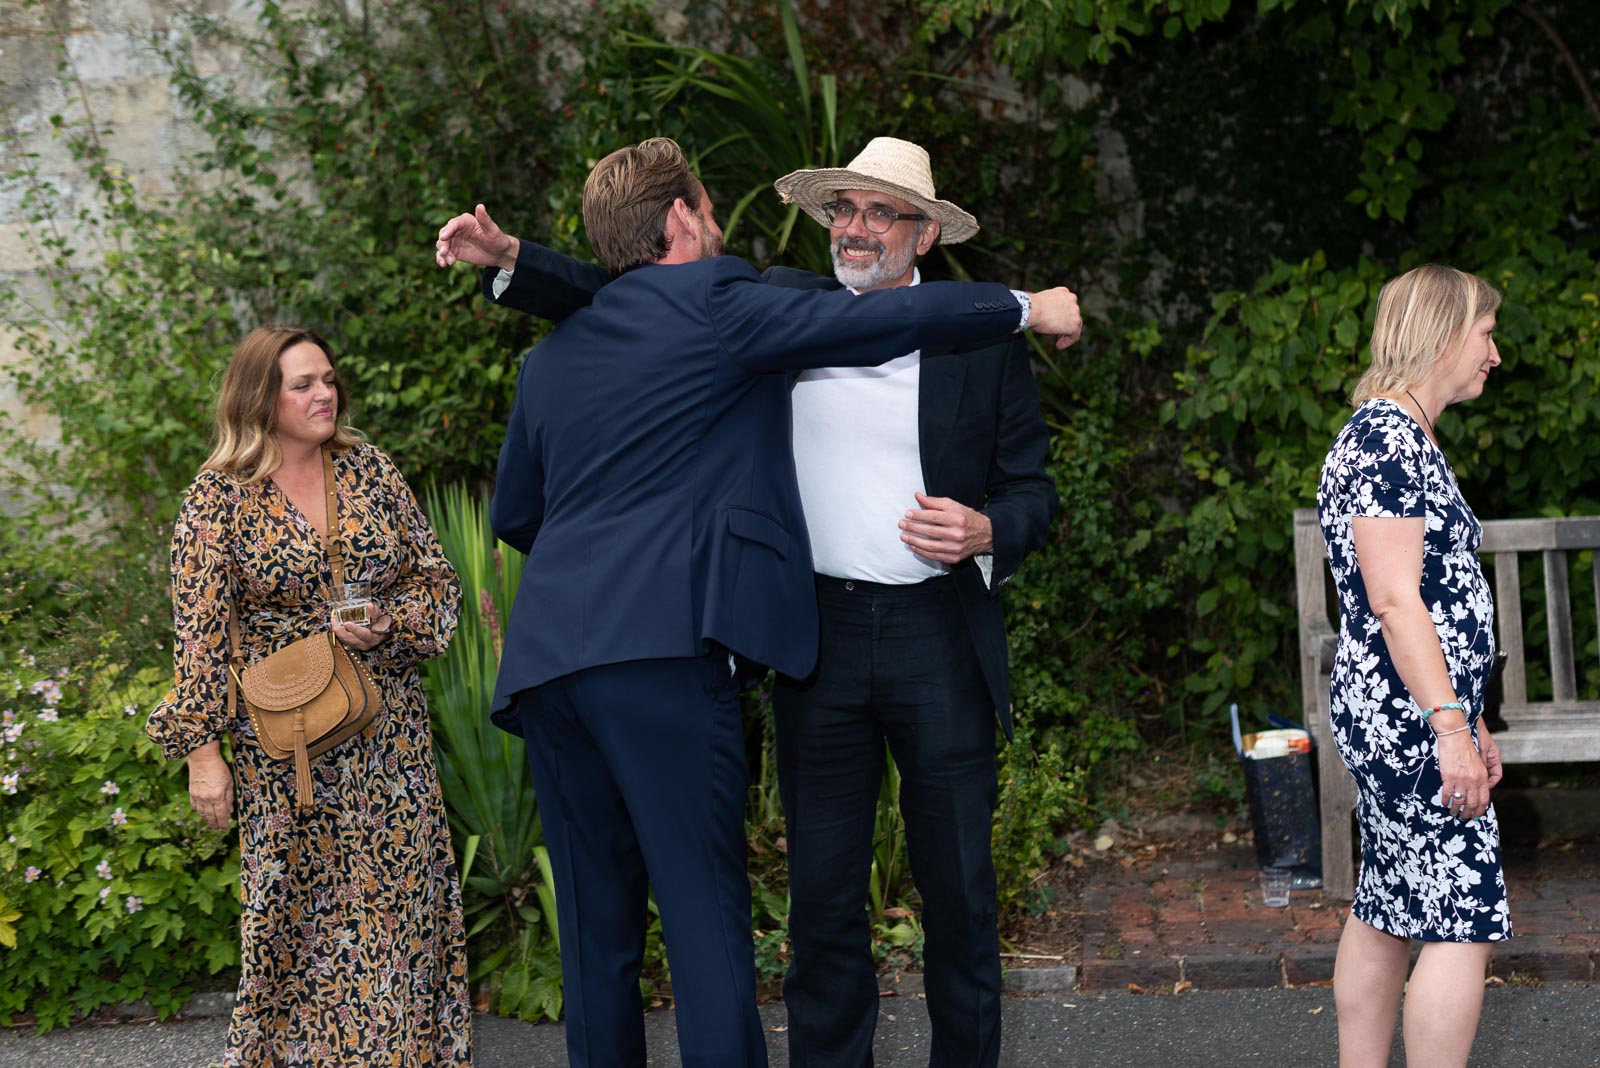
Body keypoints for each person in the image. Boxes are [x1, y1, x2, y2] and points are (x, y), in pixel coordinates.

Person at [436, 136, 1081, 1068]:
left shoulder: (977, 346)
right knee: (821, 905)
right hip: (811, 637)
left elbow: (1035, 492)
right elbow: (628, 291)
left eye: (877, 211)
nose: (853, 228)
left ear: (926, 235)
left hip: (935, 636)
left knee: (961, 895)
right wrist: (516, 264)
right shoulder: (772, 302)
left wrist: (989, 532)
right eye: (841, 210)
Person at [147, 326, 471, 1067]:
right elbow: (198, 636)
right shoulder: (216, 497)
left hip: (387, 733)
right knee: (292, 921)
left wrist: (393, 623)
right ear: (260, 398)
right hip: (287, 745)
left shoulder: (368, 468)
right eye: (303, 384)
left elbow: (435, 580)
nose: (324, 393)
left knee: (403, 917)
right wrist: (204, 755)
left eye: (328, 378)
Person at [1316, 265, 1509, 1068]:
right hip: (1408, 717)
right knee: (1464, 911)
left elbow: (1427, 594)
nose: (1494, 354)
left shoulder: (1397, 434)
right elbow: (1397, 602)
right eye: (1485, 332)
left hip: (1412, 712)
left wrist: (1472, 717)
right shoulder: (1386, 439)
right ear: (1439, 333)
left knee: (1388, 901)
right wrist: (1449, 726)